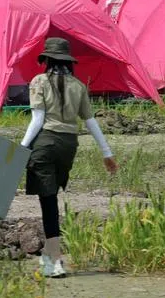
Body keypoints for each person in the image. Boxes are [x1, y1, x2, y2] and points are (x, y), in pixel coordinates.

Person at [19, 38, 118, 278]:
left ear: (47, 60)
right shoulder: (78, 86)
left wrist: (21, 148)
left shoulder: (39, 82)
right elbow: (90, 121)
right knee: (51, 199)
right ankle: (50, 258)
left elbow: (37, 120)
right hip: (68, 145)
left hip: (46, 143)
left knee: (48, 202)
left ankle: (54, 260)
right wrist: (107, 153)